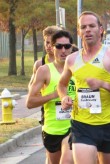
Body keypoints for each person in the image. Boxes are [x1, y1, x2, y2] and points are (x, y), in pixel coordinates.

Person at [57, 11, 110, 164]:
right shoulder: (72, 59)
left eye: (92, 26)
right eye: (83, 27)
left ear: (100, 29)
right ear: (78, 31)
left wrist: (103, 84)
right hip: (82, 124)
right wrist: (64, 97)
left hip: (109, 124)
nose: (87, 30)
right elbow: (61, 84)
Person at [26, 30, 76, 164]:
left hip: (74, 126)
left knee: (67, 161)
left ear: (72, 47)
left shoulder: (78, 69)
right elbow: (30, 102)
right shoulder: (44, 71)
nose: (63, 50)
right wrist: (54, 95)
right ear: (52, 48)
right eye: (59, 46)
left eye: (67, 46)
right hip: (52, 128)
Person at [28, 25, 62, 125]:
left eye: (51, 43)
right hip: (49, 109)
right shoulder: (40, 64)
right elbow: (31, 86)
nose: (48, 46)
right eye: (46, 42)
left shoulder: (68, 60)